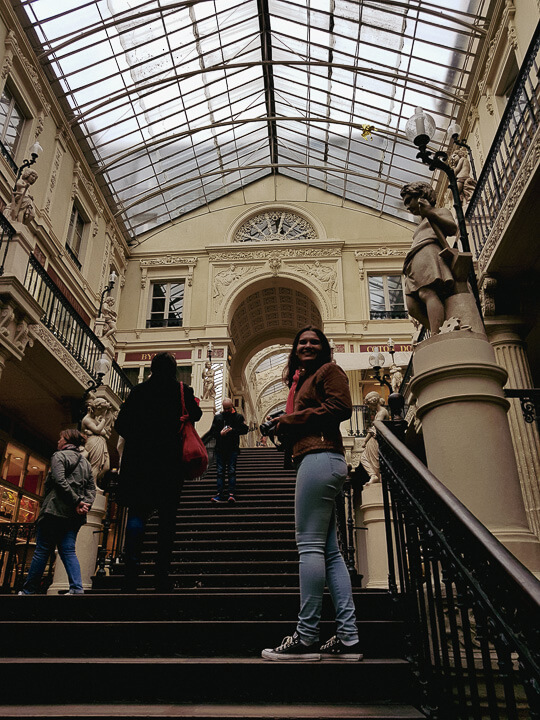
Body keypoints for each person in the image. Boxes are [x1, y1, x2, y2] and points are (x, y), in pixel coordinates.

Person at [261, 326, 361, 661]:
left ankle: (306, 637)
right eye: (302, 342)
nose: (307, 345)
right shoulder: (301, 381)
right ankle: (348, 638)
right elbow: (308, 416)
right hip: (320, 459)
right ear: (295, 348)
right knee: (330, 553)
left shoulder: (328, 371)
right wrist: (285, 424)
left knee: (309, 547)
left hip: (319, 458)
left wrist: (292, 419)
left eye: (314, 342)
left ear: (323, 347)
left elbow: (341, 407)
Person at [115, 352, 202, 592]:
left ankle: (130, 576)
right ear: (174, 369)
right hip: (169, 466)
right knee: (167, 521)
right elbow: (196, 414)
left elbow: (120, 425)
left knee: (136, 517)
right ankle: (160, 576)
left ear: (152, 368)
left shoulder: (139, 392)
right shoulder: (182, 391)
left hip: (139, 465)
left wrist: (140, 437)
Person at [19, 429, 95, 595]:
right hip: (74, 516)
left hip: (54, 511)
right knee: (68, 550)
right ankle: (76, 588)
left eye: (60, 438)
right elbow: (91, 488)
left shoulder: (59, 456)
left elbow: (59, 481)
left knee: (42, 550)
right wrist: (85, 504)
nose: (58, 441)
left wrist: (77, 501)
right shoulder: (85, 464)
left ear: (67, 440)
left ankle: (29, 591)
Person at [400, 181, 457, 334]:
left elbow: (452, 228)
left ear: (420, 196)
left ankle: (437, 333)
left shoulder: (439, 211)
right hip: (414, 261)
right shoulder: (421, 222)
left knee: (427, 293)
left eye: (408, 201)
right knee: (412, 307)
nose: (407, 206)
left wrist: (430, 212)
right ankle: (440, 327)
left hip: (427, 252)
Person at [209, 398, 248, 504]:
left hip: (232, 449)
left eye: (228, 408)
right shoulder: (218, 418)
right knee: (220, 472)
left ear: (232, 407)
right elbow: (212, 432)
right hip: (220, 449)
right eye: (225, 408)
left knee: (231, 471)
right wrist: (220, 434)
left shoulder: (238, 417)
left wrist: (232, 430)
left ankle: (231, 494)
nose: (226, 410)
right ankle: (220, 494)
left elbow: (245, 429)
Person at [359, 391, 389, 485]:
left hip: (375, 439)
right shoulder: (379, 412)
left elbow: (375, 428)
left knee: (374, 461)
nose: (368, 407)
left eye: (368, 404)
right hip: (374, 439)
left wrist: (365, 441)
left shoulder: (382, 412)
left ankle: (376, 477)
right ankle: (373, 476)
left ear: (373, 402)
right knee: (364, 458)